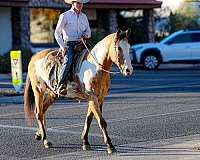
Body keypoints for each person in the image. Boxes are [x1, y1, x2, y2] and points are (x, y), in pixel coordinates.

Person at [54, 0, 91, 94]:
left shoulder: (84, 17)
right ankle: (60, 84)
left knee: (93, 57)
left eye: (81, 3)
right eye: (78, 3)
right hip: (68, 44)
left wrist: (86, 35)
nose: (80, 5)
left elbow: (88, 32)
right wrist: (63, 46)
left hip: (81, 43)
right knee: (68, 60)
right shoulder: (65, 16)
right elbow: (57, 32)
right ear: (72, 3)